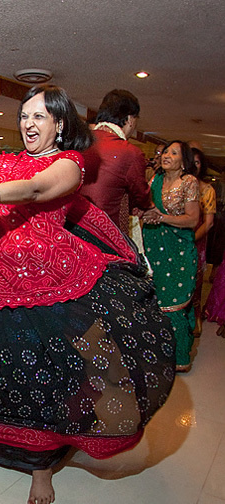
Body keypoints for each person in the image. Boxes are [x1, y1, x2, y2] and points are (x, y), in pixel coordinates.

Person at [0, 84, 175, 504]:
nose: (28, 123)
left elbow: (37, 190)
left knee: (47, 377)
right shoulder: (2, 162)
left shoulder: (70, 164)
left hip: (50, 284)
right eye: (24, 115)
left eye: (39, 116)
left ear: (60, 124)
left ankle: (41, 466)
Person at [141, 141, 200, 371]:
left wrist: (162, 218)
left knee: (175, 303)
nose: (166, 155)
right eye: (165, 151)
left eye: (173, 153)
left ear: (183, 161)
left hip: (179, 251)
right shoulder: (154, 180)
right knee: (158, 302)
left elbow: (193, 219)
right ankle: (160, 350)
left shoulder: (189, 183)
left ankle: (180, 358)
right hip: (155, 249)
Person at [81, 89, 151, 233]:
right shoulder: (130, 152)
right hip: (105, 233)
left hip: (72, 230)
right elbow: (141, 195)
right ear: (131, 120)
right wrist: (150, 207)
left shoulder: (78, 142)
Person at [190, 148, 217, 335]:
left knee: (195, 283)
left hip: (194, 241)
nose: (193, 165)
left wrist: (189, 240)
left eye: (198, 162)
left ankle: (194, 319)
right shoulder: (170, 185)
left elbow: (208, 224)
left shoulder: (207, 190)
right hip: (170, 243)